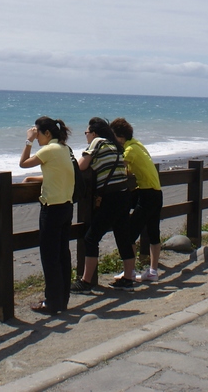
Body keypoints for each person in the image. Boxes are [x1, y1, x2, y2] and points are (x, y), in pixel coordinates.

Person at [71, 117, 137, 291]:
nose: (86, 136)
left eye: (86, 133)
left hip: (112, 197)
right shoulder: (115, 145)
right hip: (124, 195)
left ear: (93, 133)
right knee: (123, 237)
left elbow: (81, 166)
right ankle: (128, 278)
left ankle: (86, 281)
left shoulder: (98, 142)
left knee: (90, 238)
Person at [19, 116, 75, 314]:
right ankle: (62, 300)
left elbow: (23, 162)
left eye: (38, 134)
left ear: (47, 133)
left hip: (52, 209)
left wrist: (29, 140)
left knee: (50, 257)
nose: (37, 137)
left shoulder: (49, 149)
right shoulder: (64, 149)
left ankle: (52, 302)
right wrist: (34, 178)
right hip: (67, 207)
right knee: (62, 255)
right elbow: (56, 172)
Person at [111, 117, 162, 283]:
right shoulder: (138, 145)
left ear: (120, 137)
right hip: (156, 192)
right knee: (153, 233)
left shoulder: (129, 150)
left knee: (129, 234)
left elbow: (119, 168)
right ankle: (153, 271)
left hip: (147, 194)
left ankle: (130, 272)